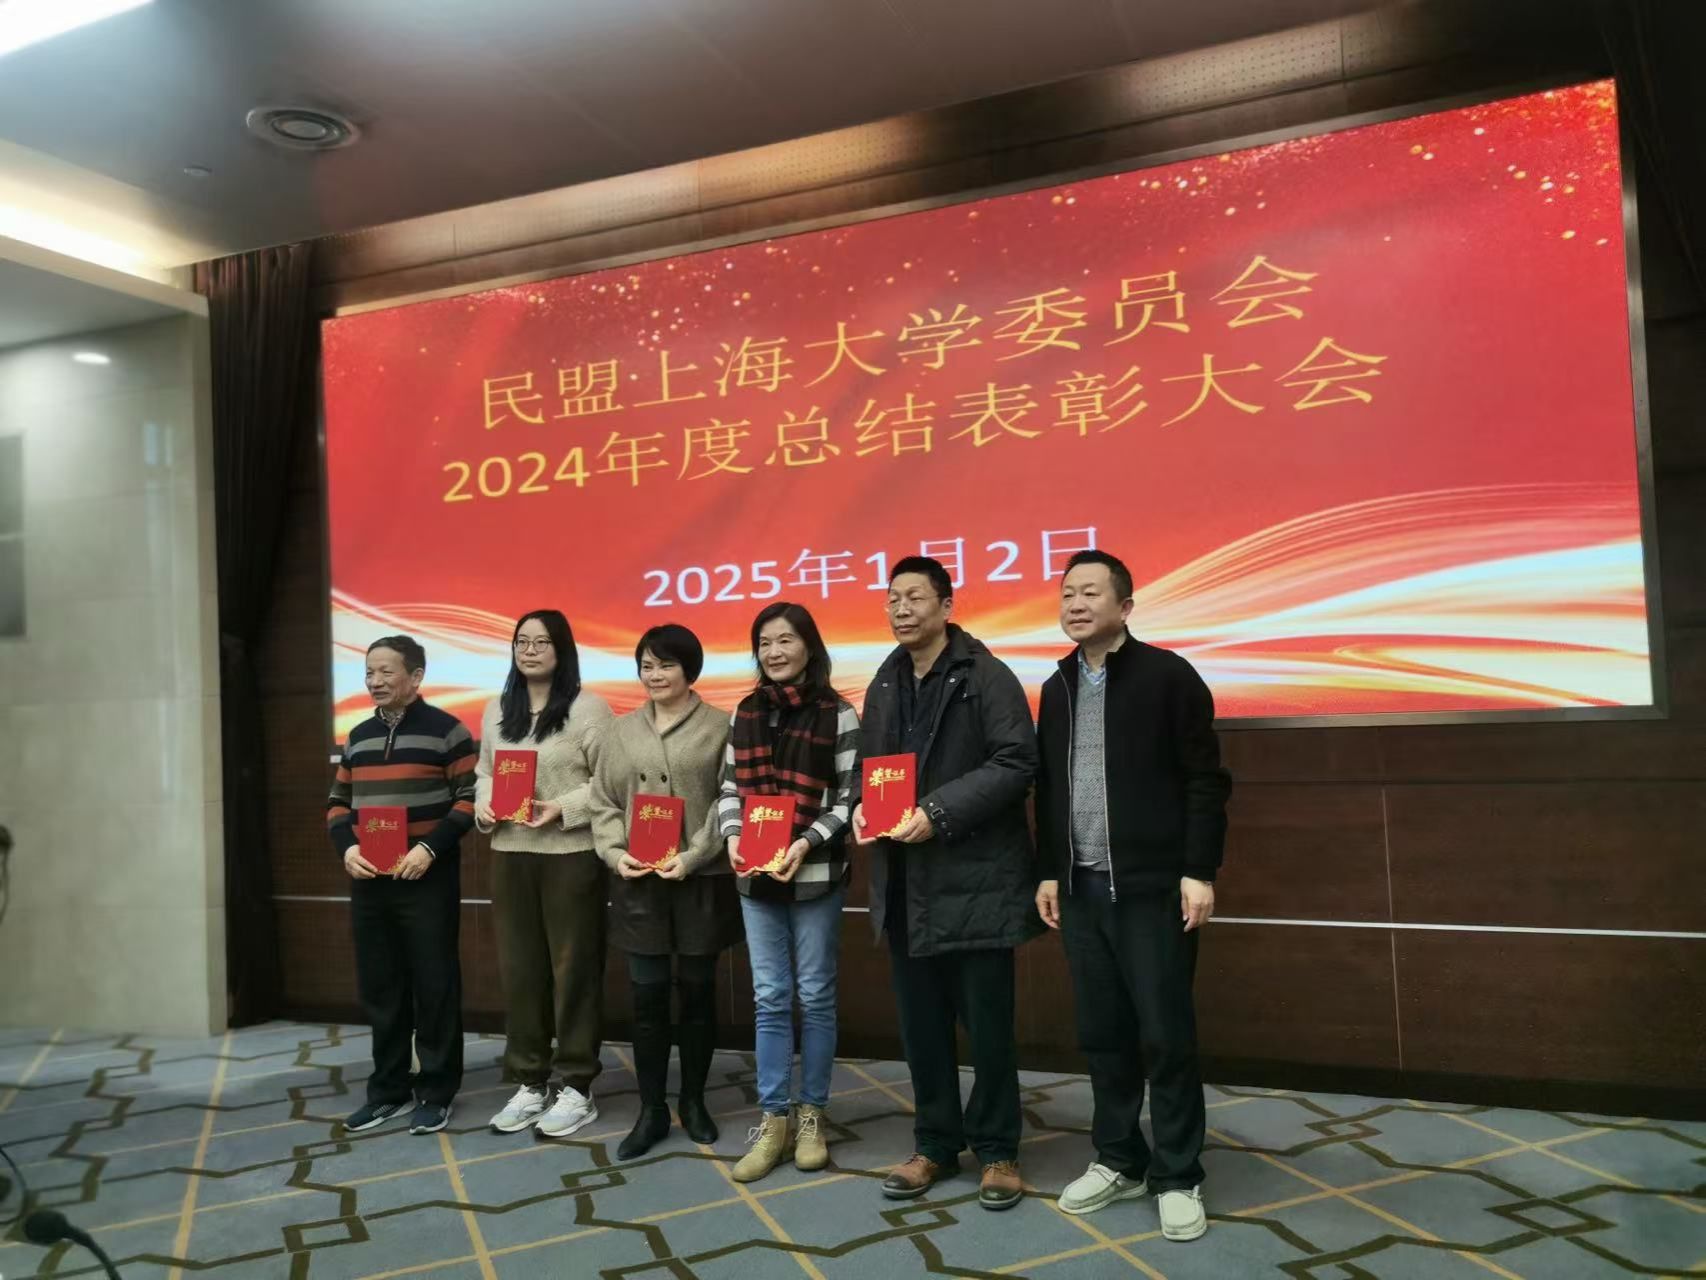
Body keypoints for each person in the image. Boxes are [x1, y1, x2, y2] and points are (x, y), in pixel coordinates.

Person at [1034, 549, 1232, 1243]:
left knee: (1165, 1034)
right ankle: (1120, 1156)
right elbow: (1048, 789)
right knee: (1103, 1034)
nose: (1076, 604)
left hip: (1151, 889)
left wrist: (1198, 869)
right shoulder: (1056, 686)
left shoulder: (1168, 676)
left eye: (1091, 592)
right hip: (1081, 888)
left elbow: (1205, 780)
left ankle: (1178, 1173)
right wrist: (1050, 869)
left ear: (1125, 605)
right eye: (1068, 593)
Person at [851, 556, 1040, 1211]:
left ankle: (999, 1150)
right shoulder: (884, 680)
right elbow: (872, 766)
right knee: (923, 1031)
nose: (901, 609)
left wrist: (937, 812)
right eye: (892, 598)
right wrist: (861, 805)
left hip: (975, 883)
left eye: (914, 597)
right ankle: (934, 1143)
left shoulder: (985, 675)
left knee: (988, 1032)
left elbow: (1017, 761)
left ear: (947, 605)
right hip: (906, 885)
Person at [716, 602, 860, 1183]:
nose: (774, 652)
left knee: (816, 995)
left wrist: (806, 842)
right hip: (755, 874)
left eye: (785, 640)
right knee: (771, 997)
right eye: (765, 643)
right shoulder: (745, 712)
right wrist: (732, 835)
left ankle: (812, 1115)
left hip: (816, 872)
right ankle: (773, 1117)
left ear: (808, 647)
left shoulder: (838, 713)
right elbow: (729, 786)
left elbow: (850, 798)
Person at [588, 623, 741, 1159]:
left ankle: (693, 1102)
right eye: (646, 665)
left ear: (689, 669)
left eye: (666, 664)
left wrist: (694, 855)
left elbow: (729, 798)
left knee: (697, 994)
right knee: (647, 997)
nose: (654, 675)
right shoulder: (621, 730)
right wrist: (615, 851)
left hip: (700, 879)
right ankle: (651, 1109)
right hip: (639, 882)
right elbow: (603, 801)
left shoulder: (721, 726)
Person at [327, 635, 477, 1135]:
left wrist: (429, 848)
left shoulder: (447, 731)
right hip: (371, 880)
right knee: (382, 987)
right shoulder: (358, 735)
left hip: (425, 878)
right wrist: (348, 848)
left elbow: (468, 799)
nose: (375, 681)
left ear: (415, 677)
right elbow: (337, 804)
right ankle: (388, 1090)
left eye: (386, 672)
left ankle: (436, 1091)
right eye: (369, 672)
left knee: (435, 985)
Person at [475, 610, 615, 1138]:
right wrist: (485, 804)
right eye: (521, 642)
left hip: (570, 854)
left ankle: (577, 1084)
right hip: (510, 853)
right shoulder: (497, 709)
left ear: (562, 650)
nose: (529, 650)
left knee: (573, 970)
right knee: (521, 970)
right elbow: (484, 772)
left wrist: (563, 807)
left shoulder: (588, 709)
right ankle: (530, 1081)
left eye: (541, 642)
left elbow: (610, 782)